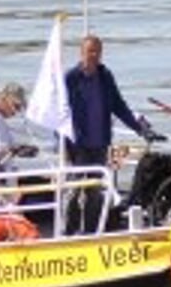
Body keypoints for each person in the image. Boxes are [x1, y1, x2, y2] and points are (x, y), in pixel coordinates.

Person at [62, 34, 155, 231]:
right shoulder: (70, 78)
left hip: (100, 142)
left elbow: (118, 106)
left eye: (97, 51)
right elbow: (59, 112)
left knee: (95, 190)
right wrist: (64, 141)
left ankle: (91, 231)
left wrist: (140, 128)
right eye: (90, 51)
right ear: (82, 53)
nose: (94, 55)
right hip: (77, 145)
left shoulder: (105, 77)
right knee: (74, 189)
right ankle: (67, 231)